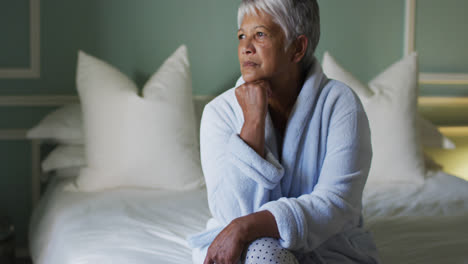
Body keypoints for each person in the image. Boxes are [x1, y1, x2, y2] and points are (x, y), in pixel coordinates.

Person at [188, 0, 380, 263]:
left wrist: (248, 226)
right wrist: (252, 125)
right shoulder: (219, 113)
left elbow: (337, 204)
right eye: (242, 36)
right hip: (249, 250)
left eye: (260, 34)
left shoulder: (340, 104)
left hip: (328, 246)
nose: (245, 47)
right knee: (261, 254)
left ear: (297, 48)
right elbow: (231, 214)